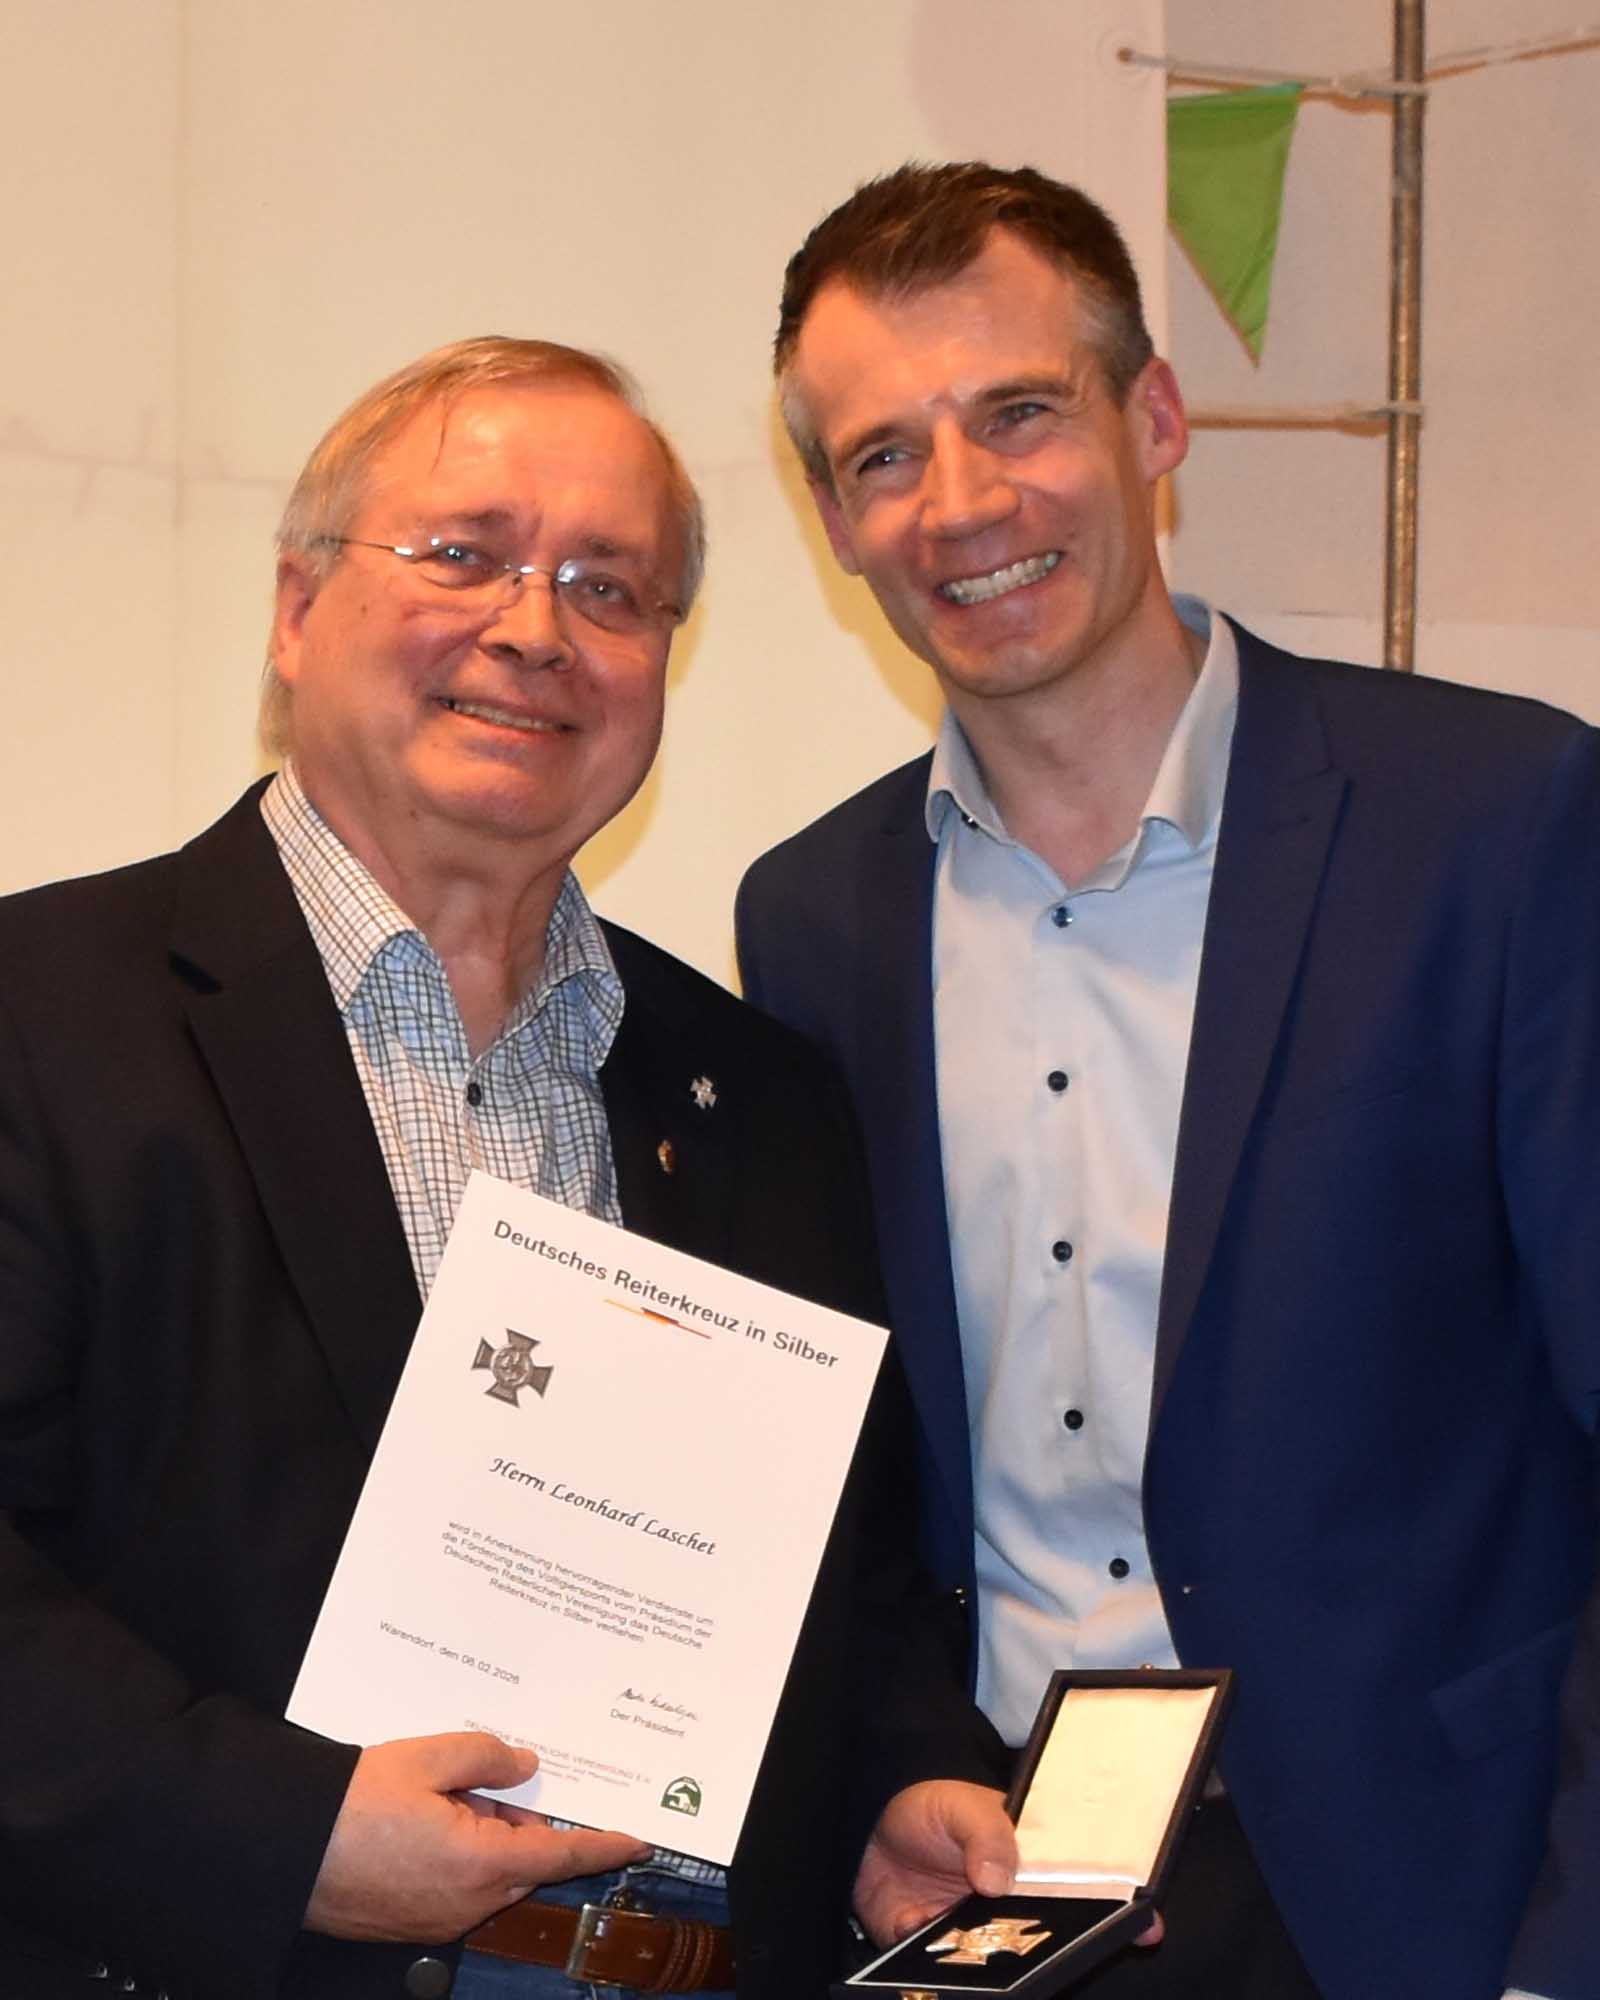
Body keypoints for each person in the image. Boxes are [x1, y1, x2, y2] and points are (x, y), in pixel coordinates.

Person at [0, 336, 1015, 2000]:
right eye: (463, 555)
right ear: (296, 609)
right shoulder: (38, 1023)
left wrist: (891, 1786)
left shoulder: (760, 1096)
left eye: (610, 588)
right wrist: (287, 1837)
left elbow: (851, 1579)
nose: (535, 628)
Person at [735, 162, 1600, 2000]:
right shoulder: (811, 920)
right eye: (885, 454)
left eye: (1019, 414)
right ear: (834, 522)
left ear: (1154, 419)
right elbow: (862, 1471)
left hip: (1427, 1899)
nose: (962, 503)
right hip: (999, 1885)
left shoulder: (1500, 825)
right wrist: (894, 1756)